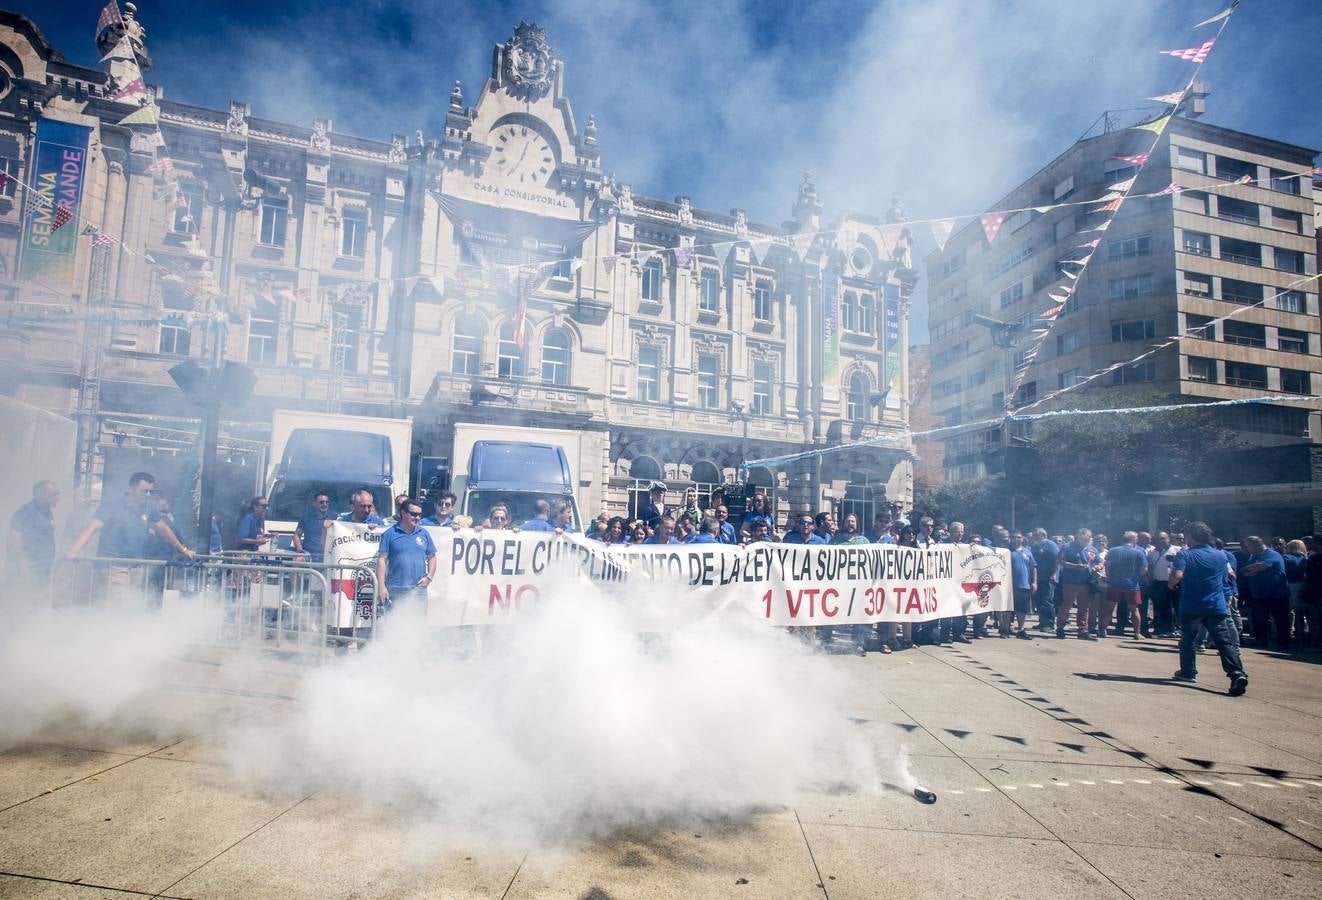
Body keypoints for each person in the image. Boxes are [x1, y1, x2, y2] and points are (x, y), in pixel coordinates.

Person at [1168, 521, 1248, 696]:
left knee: (1188, 640)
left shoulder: (1185, 555)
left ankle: (1188, 672)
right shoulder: (1221, 556)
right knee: (1223, 642)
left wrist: (1171, 584)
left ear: (1190, 536)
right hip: (1216, 605)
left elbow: (1176, 576)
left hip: (1192, 604)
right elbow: (1230, 575)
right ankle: (1237, 674)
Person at [66, 472, 194, 562]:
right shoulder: (112, 505)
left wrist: (183, 550)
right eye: (144, 491)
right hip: (112, 565)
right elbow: (91, 528)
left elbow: (164, 530)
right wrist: (73, 552)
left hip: (137, 564)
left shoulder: (149, 507)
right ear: (131, 488)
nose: (148, 495)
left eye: (150, 491)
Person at [375, 499, 436, 610]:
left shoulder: (424, 533)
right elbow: (381, 560)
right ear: (403, 513)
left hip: (418, 589)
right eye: (413, 514)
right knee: (393, 623)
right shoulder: (389, 534)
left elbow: (432, 557)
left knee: (418, 623)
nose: (417, 518)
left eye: (419, 515)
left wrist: (429, 577)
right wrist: (381, 586)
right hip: (395, 589)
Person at [7, 479, 59, 595]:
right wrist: (22, 562)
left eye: (58, 494)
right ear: (40, 495)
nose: (57, 498)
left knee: (39, 598)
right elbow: (13, 538)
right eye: (53, 495)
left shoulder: (47, 511)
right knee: (25, 597)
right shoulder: (27, 511)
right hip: (30, 567)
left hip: (42, 567)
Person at [1239, 535, 1291, 649]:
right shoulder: (1253, 556)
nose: (1247, 549)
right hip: (1259, 595)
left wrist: (1249, 570)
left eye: (1248, 546)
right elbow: (1247, 570)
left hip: (1277, 595)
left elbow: (1260, 566)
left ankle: (1283, 643)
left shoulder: (1272, 554)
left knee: (1280, 620)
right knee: (1259, 620)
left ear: (1255, 545)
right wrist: (1248, 570)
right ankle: (1261, 641)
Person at [1104, 531, 1148, 641]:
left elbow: (1107, 566)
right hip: (1132, 585)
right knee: (1134, 610)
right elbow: (1144, 570)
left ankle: (1101, 630)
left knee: (1109, 609)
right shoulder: (1139, 552)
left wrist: (1109, 577)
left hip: (1114, 583)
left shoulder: (1113, 551)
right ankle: (1137, 633)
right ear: (1134, 540)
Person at [1056, 528, 1097, 639]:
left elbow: (1098, 562)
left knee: (1084, 607)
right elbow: (1060, 561)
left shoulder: (1092, 549)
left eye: (1088, 537)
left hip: (1086, 582)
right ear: (1078, 536)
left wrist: (1098, 567)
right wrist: (1076, 567)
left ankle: (1082, 630)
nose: (1085, 539)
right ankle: (1060, 628)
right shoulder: (1068, 547)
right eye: (1083, 537)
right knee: (1067, 604)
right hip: (1071, 581)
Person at [1006, 530, 1036, 639]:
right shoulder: (1007, 552)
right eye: (1014, 537)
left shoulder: (1028, 552)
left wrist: (1034, 582)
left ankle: (1021, 629)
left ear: (1022, 539)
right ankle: (1005, 628)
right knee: (1008, 608)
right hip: (1009, 585)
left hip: (1024, 584)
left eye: (1018, 537)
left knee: (1022, 609)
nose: (1016, 539)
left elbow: (1033, 568)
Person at [1030, 528, 1060, 632]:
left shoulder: (1051, 545)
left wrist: (1053, 574)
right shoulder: (1035, 546)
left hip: (1048, 577)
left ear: (1043, 535)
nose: (1034, 537)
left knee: (1047, 600)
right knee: (1039, 600)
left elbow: (1057, 559)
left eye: (1036, 535)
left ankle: (1050, 624)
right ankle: (1042, 622)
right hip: (1038, 578)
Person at [293, 492, 332, 559]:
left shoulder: (335, 518)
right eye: (321, 502)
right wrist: (299, 549)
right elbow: (297, 535)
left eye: (327, 502)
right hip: (308, 553)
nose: (324, 504)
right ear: (314, 504)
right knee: (298, 560)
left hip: (329, 554)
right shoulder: (306, 517)